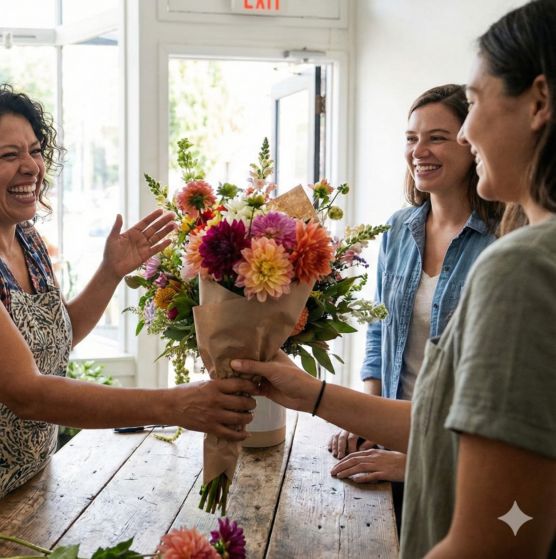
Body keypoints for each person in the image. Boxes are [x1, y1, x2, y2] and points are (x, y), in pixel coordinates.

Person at [233, 1, 556, 556]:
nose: (468, 132)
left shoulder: (521, 262)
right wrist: (315, 394)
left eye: (474, 104)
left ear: (540, 103)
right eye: (413, 137)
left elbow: (497, 536)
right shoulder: (407, 229)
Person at [0, 85, 258, 558]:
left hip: (22, 481)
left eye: (36, 151)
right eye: (8, 154)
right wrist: (175, 405)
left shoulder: (26, 241)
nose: (31, 167)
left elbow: (53, 339)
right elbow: (26, 391)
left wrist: (109, 272)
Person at [327, 85, 504, 526]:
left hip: (454, 460)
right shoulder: (398, 228)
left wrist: (414, 461)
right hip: (388, 438)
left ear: (470, 144)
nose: (418, 151)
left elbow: (498, 390)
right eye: (411, 138)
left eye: (437, 137)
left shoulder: (503, 240)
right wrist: (366, 416)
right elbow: (377, 329)